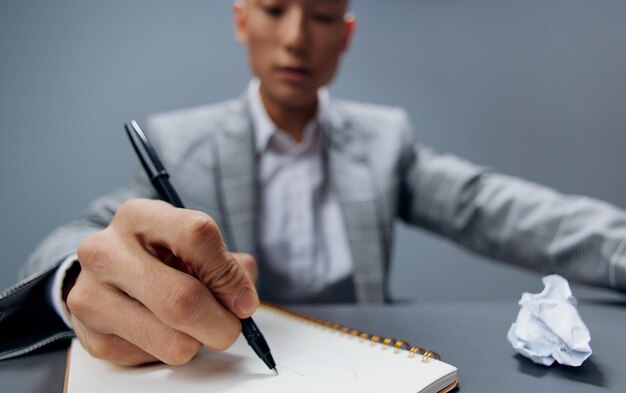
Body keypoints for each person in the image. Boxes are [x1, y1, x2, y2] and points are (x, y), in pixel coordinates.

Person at [1, 0, 625, 365]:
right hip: (235, 370)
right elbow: (88, 232)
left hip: (366, 366)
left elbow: (499, 209)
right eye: (275, 8)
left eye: (322, 14)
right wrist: (74, 278)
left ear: (345, 36)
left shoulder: (385, 141)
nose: (297, 37)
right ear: (243, 20)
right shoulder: (179, 142)